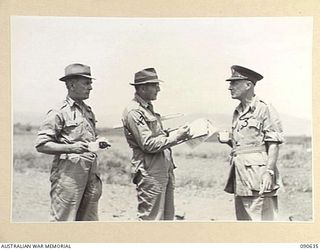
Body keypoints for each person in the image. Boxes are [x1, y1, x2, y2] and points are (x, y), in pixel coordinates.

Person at [35, 63, 102, 221]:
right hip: (69, 176)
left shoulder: (88, 111)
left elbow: (88, 138)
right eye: (86, 83)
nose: (90, 87)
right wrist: (71, 148)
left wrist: (99, 141)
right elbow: (41, 144)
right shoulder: (59, 111)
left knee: (88, 223)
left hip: (91, 173)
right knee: (64, 223)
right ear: (71, 84)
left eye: (90, 83)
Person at [122, 68, 190, 220]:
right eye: (154, 85)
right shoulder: (134, 111)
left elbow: (154, 136)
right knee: (151, 219)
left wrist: (170, 133)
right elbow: (148, 144)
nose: (158, 89)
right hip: (150, 170)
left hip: (162, 168)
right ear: (142, 88)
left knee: (167, 217)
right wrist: (177, 137)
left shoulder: (147, 109)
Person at [218, 65, 284, 221]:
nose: (229, 87)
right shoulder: (238, 111)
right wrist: (229, 141)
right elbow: (245, 145)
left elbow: (273, 142)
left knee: (261, 221)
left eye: (234, 83)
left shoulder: (264, 108)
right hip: (240, 175)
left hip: (258, 175)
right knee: (244, 220)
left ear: (248, 85)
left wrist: (269, 172)